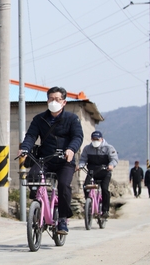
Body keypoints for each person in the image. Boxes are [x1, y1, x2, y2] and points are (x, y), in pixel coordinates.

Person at [19, 86, 84, 235]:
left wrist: (71, 149)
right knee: (33, 177)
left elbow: (77, 137)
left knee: (63, 185)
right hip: (45, 159)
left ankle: (62, 219)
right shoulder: (39, 119)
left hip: (64, 161)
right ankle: (38, 203)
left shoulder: (72, 119)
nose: (53, 101)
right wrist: (25, 148)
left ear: (64, 102)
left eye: (57, 99)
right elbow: (30, 136)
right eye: (51, 98)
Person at [78, 131, 119, 217]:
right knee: (86, 186)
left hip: (105, 172)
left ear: (101, 139)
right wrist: (80, 166)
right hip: (92, 173)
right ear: (91, 139)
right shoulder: (87, 148)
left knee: (105, 189)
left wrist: (111, 165)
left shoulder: (109, 148)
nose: (95, 141)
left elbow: (114, 159)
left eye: (97, 139)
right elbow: (83, 159)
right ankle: (89, 203)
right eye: (94, 139)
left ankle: (105, 210)